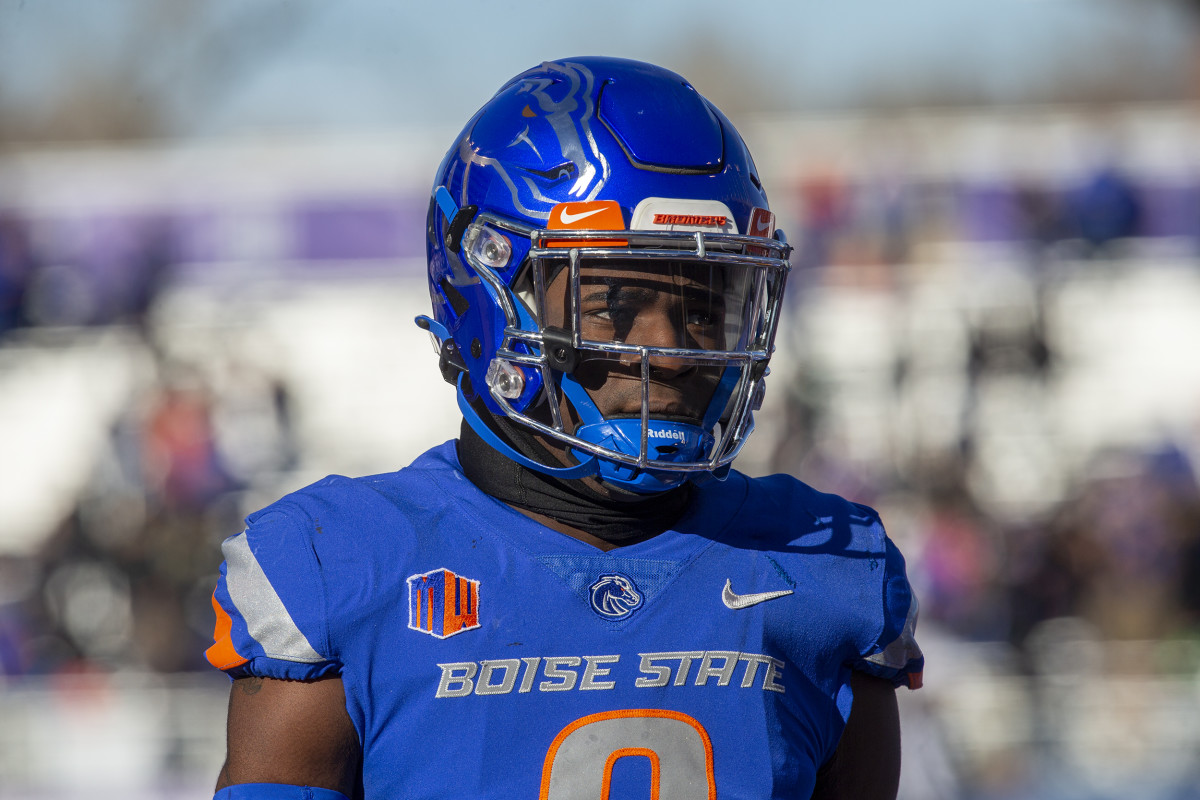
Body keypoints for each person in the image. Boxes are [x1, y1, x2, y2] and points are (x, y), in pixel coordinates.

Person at [205, 56, 924, 800]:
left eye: (706, 310)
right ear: (486, 295)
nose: (671, 351)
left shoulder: (824, 565)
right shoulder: (343, 563)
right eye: (611, 305)